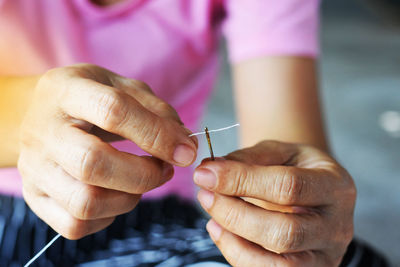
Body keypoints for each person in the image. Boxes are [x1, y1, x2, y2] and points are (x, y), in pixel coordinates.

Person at [0, 0, 389, 266]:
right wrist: (28, 120)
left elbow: (289, 155)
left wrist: (294, 212)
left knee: (346, 261)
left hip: (147, 224)